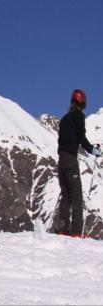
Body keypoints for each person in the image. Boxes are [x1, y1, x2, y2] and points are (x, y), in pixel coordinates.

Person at [57, 89, 101, 236]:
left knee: (66, 195)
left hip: (61, 160)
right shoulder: (78, 117)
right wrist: (92, 150)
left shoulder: (64, 119)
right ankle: (76, 232)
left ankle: (63, 229)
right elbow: (81, 137)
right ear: (83, 104)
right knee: (76, 196)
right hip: (70, 159)